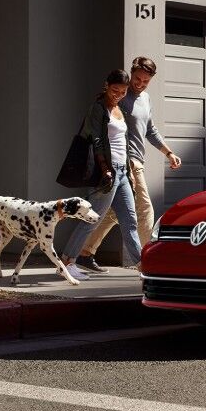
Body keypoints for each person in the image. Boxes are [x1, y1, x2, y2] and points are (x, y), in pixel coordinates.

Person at [74, 57, 182, 273]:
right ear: (131, 73)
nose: (139, 84)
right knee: (144, 208)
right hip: (125, 160)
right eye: (137, 78)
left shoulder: (145, 99)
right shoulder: (121, 97)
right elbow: (105, 128)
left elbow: (150, 130)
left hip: (136, 159)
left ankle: (85, 253)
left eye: (145, 81)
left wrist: (168, 152)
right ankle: (148, 259)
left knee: (116, 213)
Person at [61, 70, 141, 281]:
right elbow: (96, 140)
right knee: (92, 219)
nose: (119, 94)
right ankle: (67, 262)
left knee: (130, 220)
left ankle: (143, 265)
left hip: (123, 173)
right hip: (107, 172)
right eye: (115, 90)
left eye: (123, 92)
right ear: (107, 85)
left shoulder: (119, 109)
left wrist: (129, 171)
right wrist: (105, 168)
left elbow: (122, 143)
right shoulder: (98, 108)